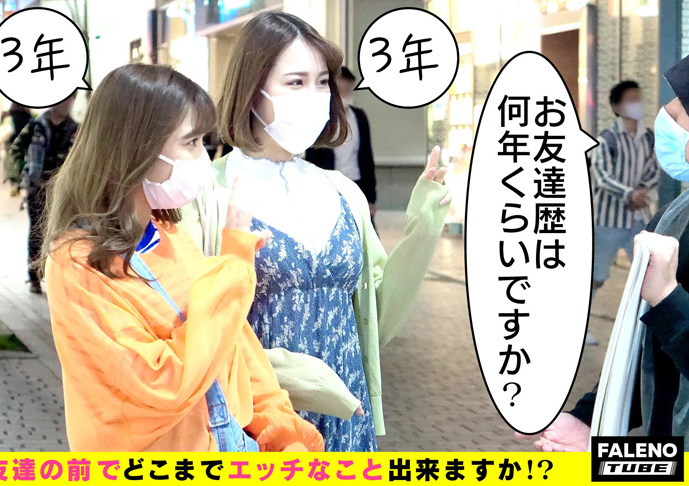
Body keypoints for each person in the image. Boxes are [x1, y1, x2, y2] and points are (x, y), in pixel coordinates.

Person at [180, 11, 451, 452]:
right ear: (252, 91)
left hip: (346, 414)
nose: (316, 96)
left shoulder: (343, 192)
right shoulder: (206, 193)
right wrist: (290, 375)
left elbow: (377, 318)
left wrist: (423, 226)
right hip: (255, 420)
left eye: (323, 82)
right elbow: (187, 326)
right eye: (296, 82)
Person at [41, 64, 323, 452]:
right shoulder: (78, 265)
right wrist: (234, 267)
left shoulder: (169, 234)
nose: (202, 156)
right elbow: (165, 383)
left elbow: (234, 350)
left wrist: (284, 434)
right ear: (137, 149)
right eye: (190, 142)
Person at [517, 57, 689, 451]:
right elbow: (649, 346)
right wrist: (589, 419)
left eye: (680, 106)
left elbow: (670, 316)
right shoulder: (675, 214)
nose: (667, 115)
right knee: (598, 276)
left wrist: (667, 297)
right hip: (667, 448)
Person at [586, 81, 660, 346]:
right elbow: (602, 175)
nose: (637, 103)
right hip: (607, 220)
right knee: (595, 276)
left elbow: (654, 168)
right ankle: (578, 328)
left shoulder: (648, 137)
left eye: (638, 97)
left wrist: (641, 191)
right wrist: (630, 194)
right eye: (631, 99)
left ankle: (650, 333)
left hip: (638, 218)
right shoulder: (607, 139)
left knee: (648, 271)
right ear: (617, 106)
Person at [10, 94, 78, 294]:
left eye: (70, 98)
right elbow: (16, 149)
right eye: (62, 98)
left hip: (63, 190)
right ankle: (34, 277)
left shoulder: (75, 129)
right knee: (37, 233)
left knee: (63, 233)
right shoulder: (35, 125)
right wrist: (23, 172)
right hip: (38, 188)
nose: (65, 103)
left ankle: (58, 277)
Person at [305, 66, 377, 228]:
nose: (345, 95)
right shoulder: (320, 117)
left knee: (364, 229)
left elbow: (367, 157)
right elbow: (312, 157)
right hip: (329, 185)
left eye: (348, 90)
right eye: (341, 90)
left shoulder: (359, 116)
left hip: (356, 182)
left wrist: (371, 197)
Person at [1, 103, 33, 197]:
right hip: (24, 145)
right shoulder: (28, 117)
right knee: (21, 163)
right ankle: (19, 184)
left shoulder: (9, 117)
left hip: (11, 144)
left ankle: (14, 186)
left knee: (11, 166)